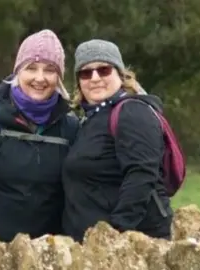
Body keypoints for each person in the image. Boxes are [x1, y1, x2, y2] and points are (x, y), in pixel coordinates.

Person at [0, 29, 79, 242]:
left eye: (50, 70)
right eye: (31, 68)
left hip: (49, 253)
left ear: (59, 77)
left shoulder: (70, 127)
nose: (39, 78)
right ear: (17, 72)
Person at [62, 39, 173, 242]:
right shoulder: (90, 118)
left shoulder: (132, 112)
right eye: (86, 73)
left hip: (129, 246)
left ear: (120, 75)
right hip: (90, 247)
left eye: (103, 70)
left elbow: (141, 175)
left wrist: (115, 234)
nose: (94, 78)